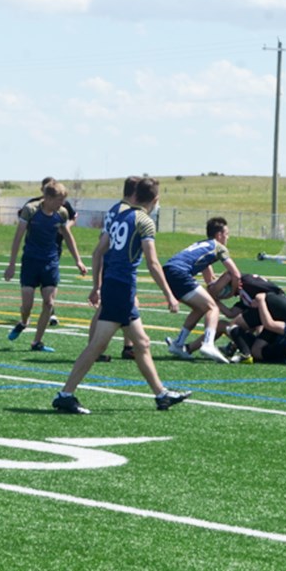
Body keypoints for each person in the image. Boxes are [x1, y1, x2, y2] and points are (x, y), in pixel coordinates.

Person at [52, 177, 191, 414]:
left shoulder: (119, 215)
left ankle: (161, 395)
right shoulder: (144, 221)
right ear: (155, 200)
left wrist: (97, 285)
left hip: (115, 285)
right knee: (98, 345)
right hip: (123, 287)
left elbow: (98, 252)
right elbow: (153, 262)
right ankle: (65, 394)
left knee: (142, 343)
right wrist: (169, 294)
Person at [4, 180, 87, 352]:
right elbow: (18, 237)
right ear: (48, 198)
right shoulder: (31, 210)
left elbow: (68, 236)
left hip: (50, 262)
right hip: (31, 261)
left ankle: (37, 342)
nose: (62, 204)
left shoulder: (62, 213)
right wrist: (11, 264)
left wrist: (78, 260)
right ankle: (24, 322)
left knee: (49, 303)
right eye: (59, 200)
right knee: (27, 305)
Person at [162, 217, 242, 363]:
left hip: (169, 271)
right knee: (213, 308)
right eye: (226, 234)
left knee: (200, 308)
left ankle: (178, 344)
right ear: (219, 235)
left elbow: (209, 280)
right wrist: (232, 292)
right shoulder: (219, 247)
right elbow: (235, 273)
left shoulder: (202, 244)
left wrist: (216, 287)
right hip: (179, 272)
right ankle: (208, 344)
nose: (228, 237)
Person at [92, 175, 141, 363]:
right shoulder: (126, 211)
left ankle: (128, 346)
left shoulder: (115, 208)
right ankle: (95, 348)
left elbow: (102, 236)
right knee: (106, 309)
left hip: (112, 263)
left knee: (129, 304)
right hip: (116, 264)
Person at [24, 176, 77, 327]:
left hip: (53, 251)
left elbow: (73, 218)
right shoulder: (32, 206)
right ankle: (26, 316)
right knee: (30, 294)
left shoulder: (62, 208)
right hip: (32, 255)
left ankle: (50, 312)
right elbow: (22, 224)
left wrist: (65, 229)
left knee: (48, 291)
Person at [225, 293, 286, 365]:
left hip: (272, 353)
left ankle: (246, 354)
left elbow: (269, 324)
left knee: (233, 329)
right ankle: (237, 347)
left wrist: (262, 301)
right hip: (273, 347)